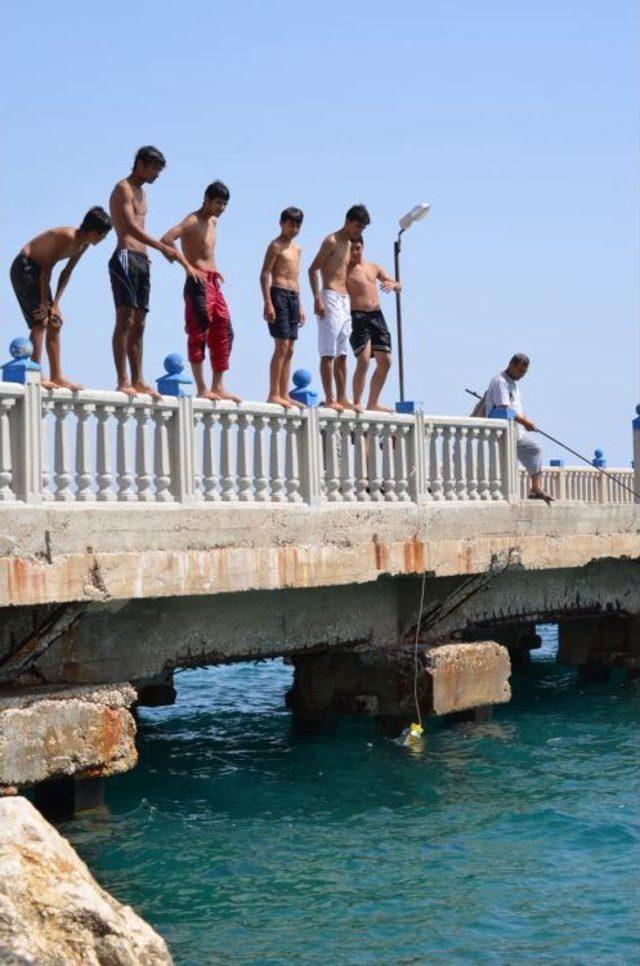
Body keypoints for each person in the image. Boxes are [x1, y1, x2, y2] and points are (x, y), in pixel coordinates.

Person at [109, 146, 198, 398]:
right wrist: (160, 247)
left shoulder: (143, 193)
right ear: (140, 164)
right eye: (154, 169)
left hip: (142, 260)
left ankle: (138, 380)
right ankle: (122, 379)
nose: (156, 175)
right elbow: (129, 227)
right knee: (124, 320)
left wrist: (152, 253)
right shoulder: (123, 188)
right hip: (125, 256)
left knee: (140, 323)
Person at [9, 207, 112, 389]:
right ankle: (37, 374)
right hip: (25, 267)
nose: (103, 240)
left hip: (40, 274)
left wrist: (55, 304)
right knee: (40, 320)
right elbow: (47, 268)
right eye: (103, 236)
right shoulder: (68, 237)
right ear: (95, 233)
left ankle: (57, 376)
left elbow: (66, 272)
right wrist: (44, 304)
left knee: (55, 321)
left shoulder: (83, 244)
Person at [161, 181, 240, 402]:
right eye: (218, 203)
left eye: (224, 204)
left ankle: (218, 386)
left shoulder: (213, 221)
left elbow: (206, 251)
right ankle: (202, 387)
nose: (221, 208)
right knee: (199, 332)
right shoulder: (192, 220)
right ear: (206, 199)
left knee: (225, 331)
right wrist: (187, 267)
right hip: (198, 283)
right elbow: (166, 239)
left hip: (214, 282)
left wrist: (214, 270)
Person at [308, 204, 370, 411]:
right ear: (349, 221)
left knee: (343, 353)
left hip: (345, 300)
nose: (359, 232)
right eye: (358, 227)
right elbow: (312, 269)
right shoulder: (331, 241)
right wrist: (317, 298)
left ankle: (343, 397)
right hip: (330, 297)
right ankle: (330, 397)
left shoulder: (348, 243)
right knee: (328, 352)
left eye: (362, 229)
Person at [482, 353, 553, 503]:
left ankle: (535, 488)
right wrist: (525, 422)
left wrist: (526, 421)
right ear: (511, 365)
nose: (522, 375)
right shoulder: (500, 381)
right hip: (504, 432)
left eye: (524, 372)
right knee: (516, 459)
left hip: (517, 432)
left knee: (535, 450)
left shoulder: (514, 384)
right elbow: (504, 409)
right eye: (520, 371)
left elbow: (517, 409)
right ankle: (529, 490)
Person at [346, 235, 400, 411]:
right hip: (358, 316)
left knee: (386, 362)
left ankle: (373, 402)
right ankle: (356, 403)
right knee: (363, 361)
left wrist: (392, 286)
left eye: (358, 248)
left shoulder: (373, 267)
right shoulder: (345, 269)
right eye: (352, 249)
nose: (355, 252)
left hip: (377, 317)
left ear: (363, 247)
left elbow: (398, 285)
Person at [260, 207, 306, 407]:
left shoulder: (297, 249)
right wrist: (268, 302)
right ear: (282, 223)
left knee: (291, 348)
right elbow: (264, 274)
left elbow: (296, 278)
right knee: (282, 345)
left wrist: (301, 306)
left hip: (293, 296)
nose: (294, 228)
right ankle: (273, 393)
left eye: (297, 225)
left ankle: (284, 393)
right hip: (278, 293)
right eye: (290, 224)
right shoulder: (275, 246)